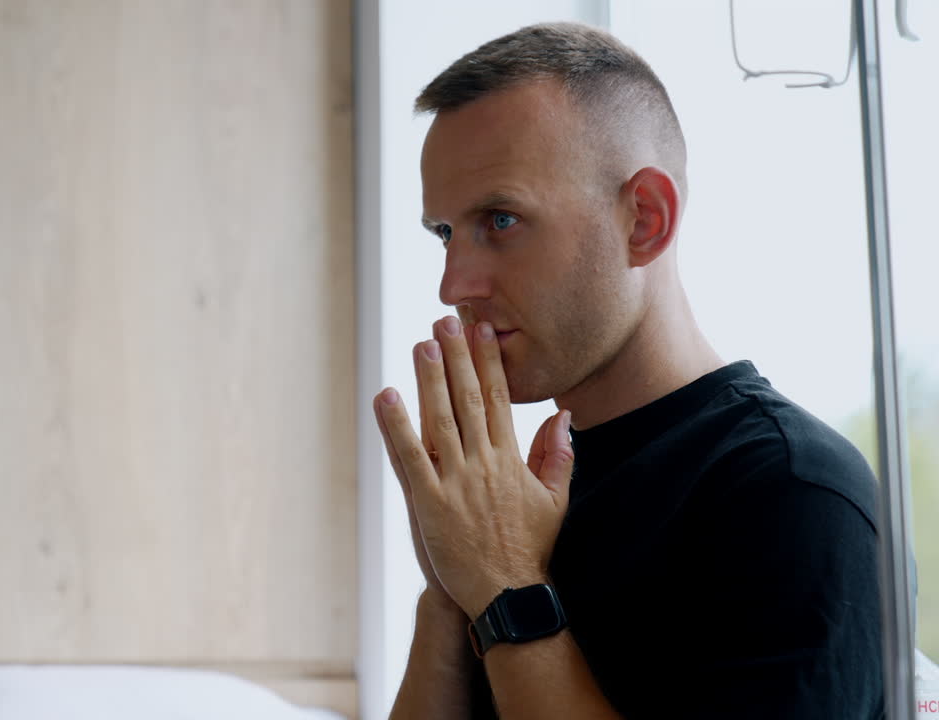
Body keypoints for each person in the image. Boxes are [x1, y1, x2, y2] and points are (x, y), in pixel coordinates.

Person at [372, 22, 883, 719]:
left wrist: (504, 587)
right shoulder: (519, 495)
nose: (453, 283)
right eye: (444, 232)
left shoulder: (792, 492)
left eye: (500, 219)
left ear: (644, 219)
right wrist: (446, 589)